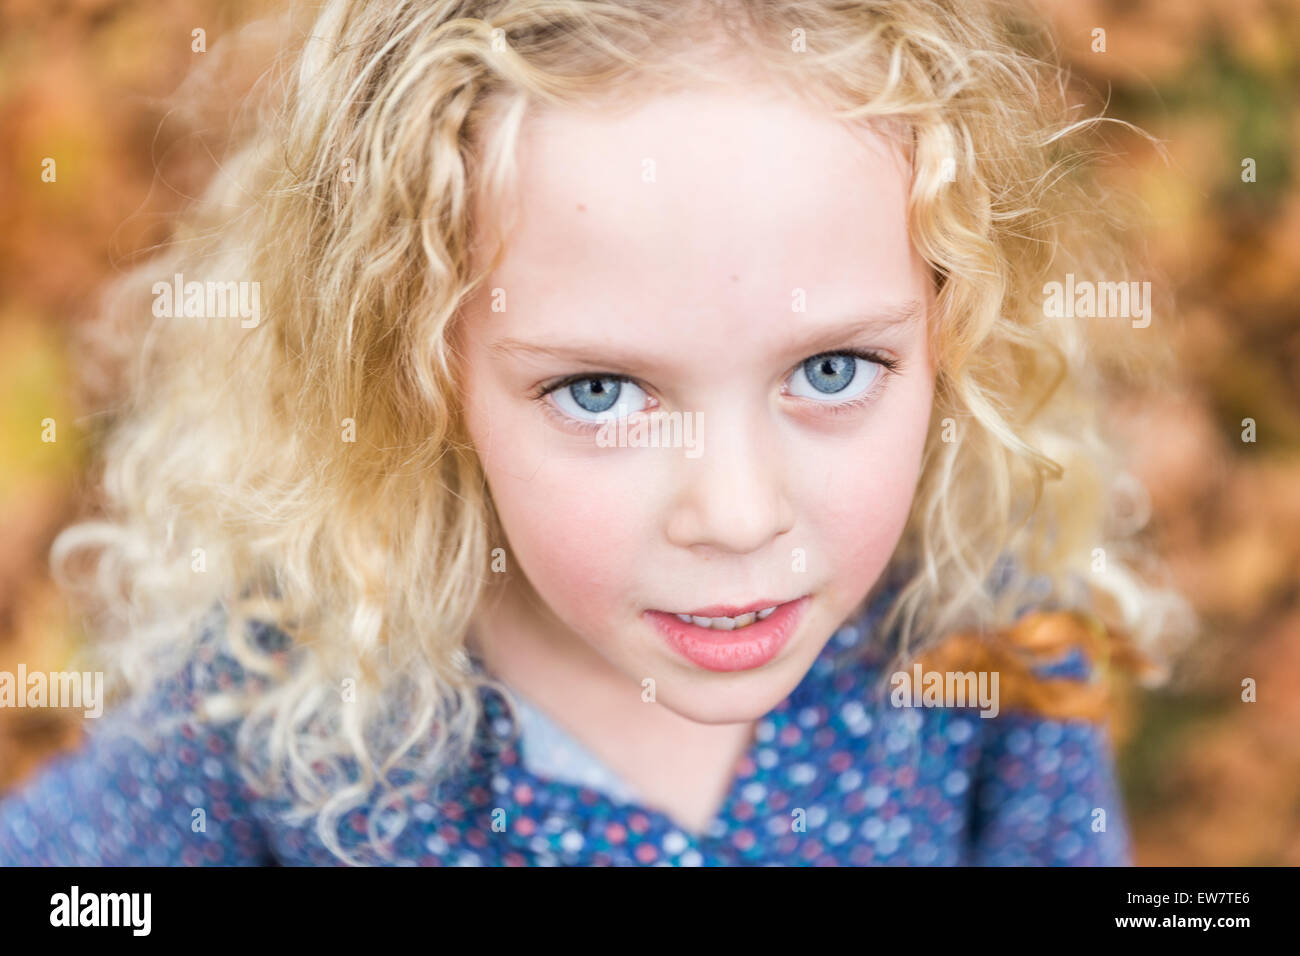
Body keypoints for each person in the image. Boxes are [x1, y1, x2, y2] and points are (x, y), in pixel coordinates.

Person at [0, 0, 1188, 866]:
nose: (736, 512)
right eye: (602, 392)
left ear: (952, 323)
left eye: (833, 368)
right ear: (417, 368)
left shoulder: (979, 648)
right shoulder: (297, 695)